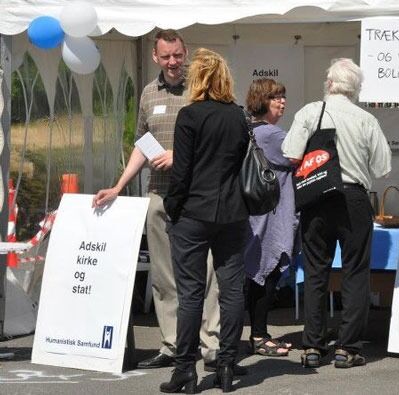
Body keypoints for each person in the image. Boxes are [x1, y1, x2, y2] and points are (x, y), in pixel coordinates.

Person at [92, 29, 221, 371]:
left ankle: (212, 345)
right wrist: (119, 186)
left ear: (186, 51)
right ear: (155, 57)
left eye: (178, 55)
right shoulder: (149, 93)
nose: (173, 62)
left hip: (197, 196)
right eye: (166, 57)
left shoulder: (201, 88)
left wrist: (179, 155)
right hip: (159, 194)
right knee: (164, 277)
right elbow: (141, 143)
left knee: (204, 272)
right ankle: (174, 345)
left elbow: (213, 140)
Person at [281, 58, 392, 369]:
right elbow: (383, 168)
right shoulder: (366, 119)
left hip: (316, 196)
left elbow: (290, 154)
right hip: (354, 198)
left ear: (329, 84)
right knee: (356, 271)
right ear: (355, 89)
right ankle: (347, 347)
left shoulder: (308, 112)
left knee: (316, 269)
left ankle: (313, 346)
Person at [161, 48, 249, 394]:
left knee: (191, 293)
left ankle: (185, 369)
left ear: (197, 79)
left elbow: (180, 174)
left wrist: (173, 206)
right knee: (230, 291)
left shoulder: (189, 116)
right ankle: (226, 364)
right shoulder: (239, 116)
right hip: (232, 213)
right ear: (225, 79)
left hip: (194, 213)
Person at [243, 79, 297, 357]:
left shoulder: (251, 130)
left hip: (257, 213)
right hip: (271, 215)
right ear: (263, 100)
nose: (282, 102)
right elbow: (299, 155)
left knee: (260, 273)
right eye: (276, 97)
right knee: (267, 272)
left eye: (283, 96)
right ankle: (259, 335)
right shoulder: (272, 135)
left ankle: (260, 333)